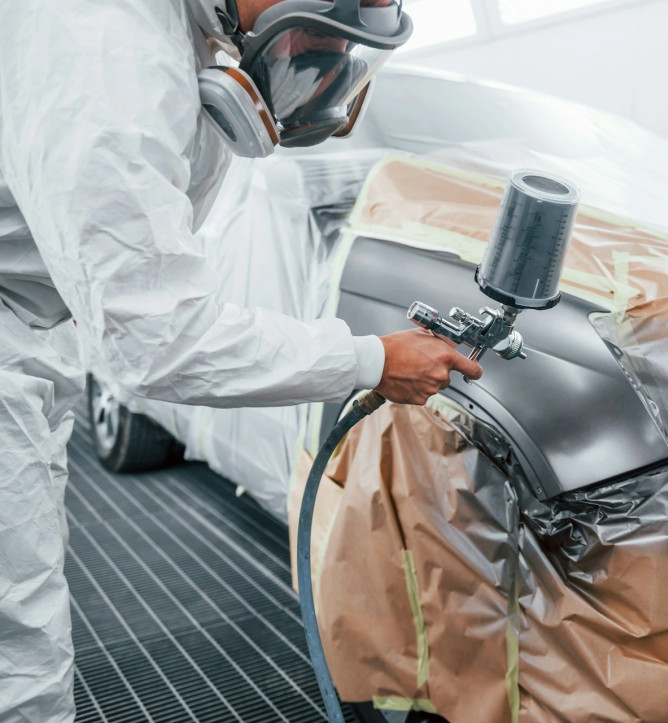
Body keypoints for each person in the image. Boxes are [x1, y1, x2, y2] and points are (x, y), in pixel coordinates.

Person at [0, 1, 480, 719]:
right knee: (19, 648)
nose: (315, 61)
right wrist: (369, 358)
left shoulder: (178, 29)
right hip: (18, 328)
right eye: (316, 36)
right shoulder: (103, 48)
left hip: (36, 326)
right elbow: (159, 336)